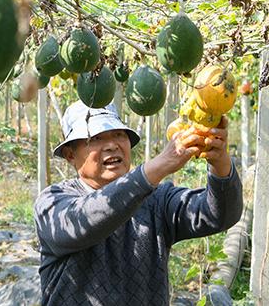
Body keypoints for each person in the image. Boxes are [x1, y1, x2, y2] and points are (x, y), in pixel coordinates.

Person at [34, 100, 243, 305]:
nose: (111, 145)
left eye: (118, 134)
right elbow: (80, 223)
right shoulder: (52, 201)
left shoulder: (157, 200)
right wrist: (158, 166)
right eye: (95, 138)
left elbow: (219, 215)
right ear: (71, 155)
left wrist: (219, 161)